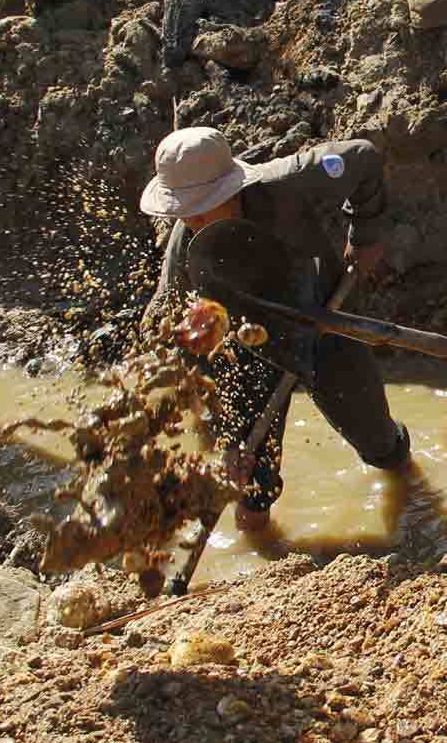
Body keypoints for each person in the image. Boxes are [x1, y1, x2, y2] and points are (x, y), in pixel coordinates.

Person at [139, 126, 410, 531]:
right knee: (250, 484)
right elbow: (188, 351)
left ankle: (416, 504)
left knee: (380, 443)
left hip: (322, 316)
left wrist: (366, 233)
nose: (191, 219)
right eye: (182, 210)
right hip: (249, 349)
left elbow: (364, 157)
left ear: (233, 189)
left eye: (202, 206)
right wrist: (226, 440)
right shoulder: (185, 260)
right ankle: (261, 563)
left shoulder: (291, 182)